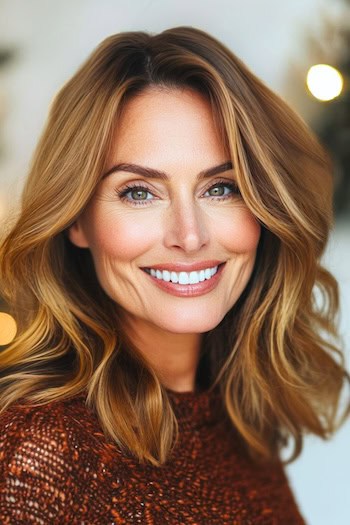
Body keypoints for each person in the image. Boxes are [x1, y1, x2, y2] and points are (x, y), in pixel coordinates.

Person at [0, 26, 348, 524]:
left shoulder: (235, 416)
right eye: (139, 191)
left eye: (222, 188)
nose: (189, 235)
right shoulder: (39, 457)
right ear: (77, 218)